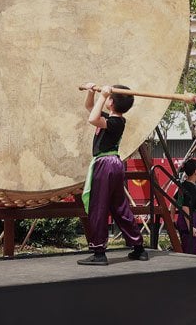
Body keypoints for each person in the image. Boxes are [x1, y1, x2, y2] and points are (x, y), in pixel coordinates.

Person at [77, 84, 148, 266]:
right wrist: (92, 93)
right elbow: (90, 108)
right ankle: (138, 248)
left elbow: (92, 119)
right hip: (113, 164)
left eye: (108, 98)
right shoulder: (112, 119)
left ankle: (99, 252)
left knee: (98, 206)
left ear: (111, 103)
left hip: (106, 164)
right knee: (119, 206)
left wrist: (102, 95)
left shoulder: (116, 122)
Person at [176, 158, 196, 255]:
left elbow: (175, 201)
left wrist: (172, 217)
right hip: (189, 218)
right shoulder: (190, 187)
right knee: (191, 249)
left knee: (187, 246)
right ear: (195, 172)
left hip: (183, 219)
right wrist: (191, 226)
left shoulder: (183, 185)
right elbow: (185, 206)